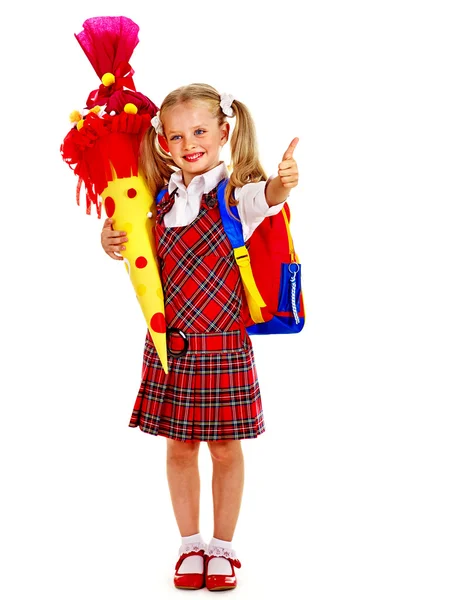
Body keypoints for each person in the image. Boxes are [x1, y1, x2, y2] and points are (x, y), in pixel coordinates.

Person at [100, 83, 299, 591]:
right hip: (172, 347)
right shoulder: (159, 199)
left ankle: (224, 549)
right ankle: (190, 545)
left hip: (225, 345)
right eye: (177, 135)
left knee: (227, 449)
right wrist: (109, 240)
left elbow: (268, 198)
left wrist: (282, 183)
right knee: (180, 448)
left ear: (223, 132)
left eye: (200, 131)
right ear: (163, 142)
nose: (190, 143)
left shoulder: (238, 196)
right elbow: (135, 247)